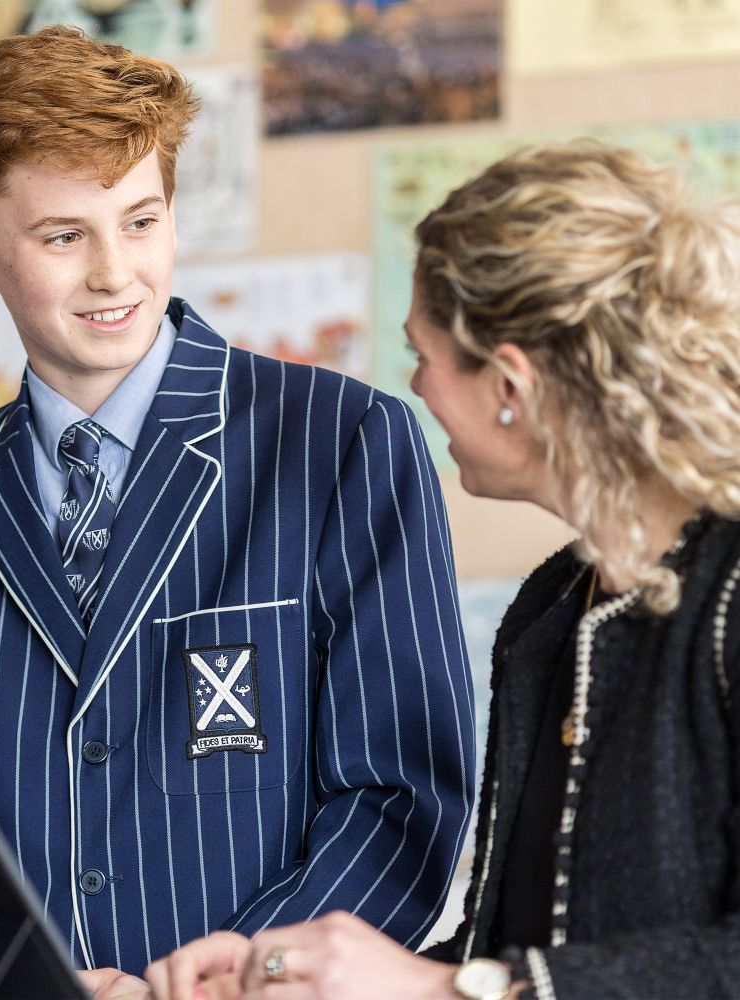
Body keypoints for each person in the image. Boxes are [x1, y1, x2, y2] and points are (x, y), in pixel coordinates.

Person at [0, 25, 474, 982]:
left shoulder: (344, 441)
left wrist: (226, 981)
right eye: (63, 236)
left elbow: (400, 801)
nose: (114, 272)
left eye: (142, 221)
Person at [145, 139, 740, 999]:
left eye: (423, 353)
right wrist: (290, 975)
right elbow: (514, 949)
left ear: (510, 383)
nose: (414, 386)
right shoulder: (550, 612)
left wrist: (435, 990)